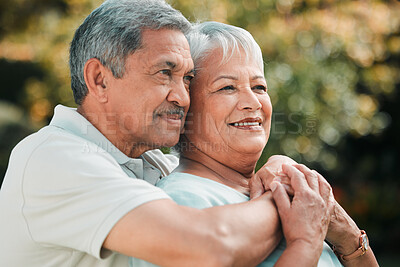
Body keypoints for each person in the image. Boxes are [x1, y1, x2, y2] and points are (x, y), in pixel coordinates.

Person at [0, 0, 300, 266]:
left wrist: (279, 168)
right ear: (99, 80)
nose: (182, 97)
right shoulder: (54, 159)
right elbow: (209, 248)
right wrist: (288, 200)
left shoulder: (156, 164)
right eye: (164, 73)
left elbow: (227, 188)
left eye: (187, 78)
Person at [133, 21, 377, 266]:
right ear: (184, 107)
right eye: (227, 87)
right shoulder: (181, 202)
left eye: (259, 86)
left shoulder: (289, 187)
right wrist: (308, 239)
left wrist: (347, 235)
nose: (252, 102)